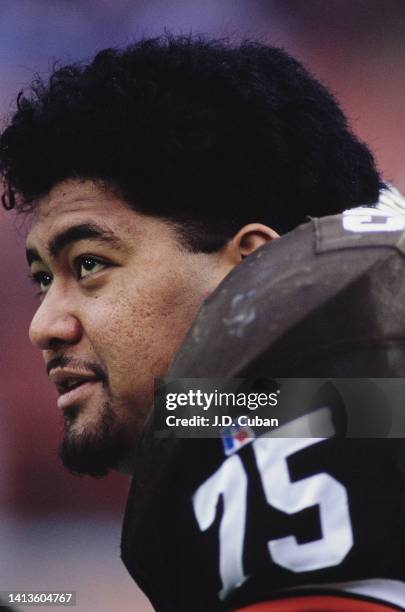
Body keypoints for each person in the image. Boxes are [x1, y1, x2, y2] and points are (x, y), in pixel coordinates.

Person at [1, 35, 403, 611]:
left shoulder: (328, 421)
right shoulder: (250, 413)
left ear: (257, 268)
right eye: (42, 279)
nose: (44, 325)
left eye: (89, 264)